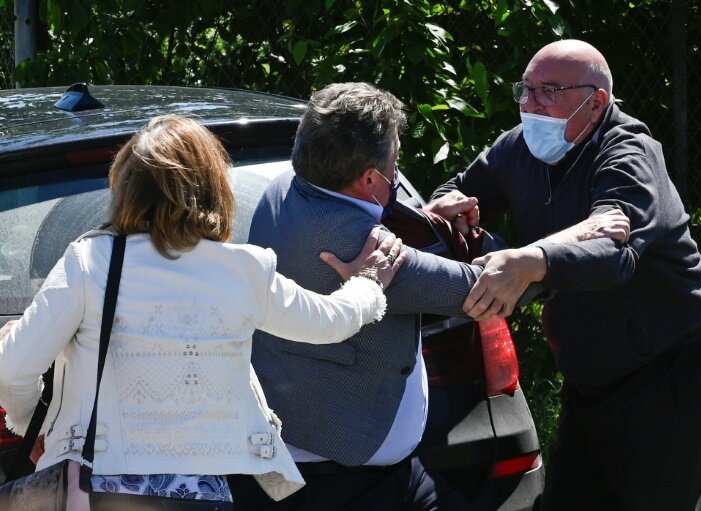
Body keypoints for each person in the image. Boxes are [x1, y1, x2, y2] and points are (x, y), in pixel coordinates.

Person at [231, 82, 628, 511]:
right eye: (395, 161)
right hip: (348, 480)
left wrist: (426, 223)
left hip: (316, 448)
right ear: (369, 179)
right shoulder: (365, 249)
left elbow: (354, 215)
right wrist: (577, 236)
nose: (397, 174)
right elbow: (490, 287)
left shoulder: (283, 187)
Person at [0, 114, 405, 510]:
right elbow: (330, 322)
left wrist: (36, 425)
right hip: (199, 498)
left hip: (94, 489)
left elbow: (12, 369)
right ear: (214, 190)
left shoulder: (91, 262)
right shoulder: (245, 269)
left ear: (125, 190)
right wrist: (369, 281)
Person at [427, 40, 701, 510]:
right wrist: (447, 205)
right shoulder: (518, 147)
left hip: (668, 364)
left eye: (549, 91)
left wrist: (530, 261)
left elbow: (614, 253)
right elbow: (462, 188)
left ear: (597, 102)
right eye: (525, 89)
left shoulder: (629, 152)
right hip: (591, 366)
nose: (530, 105)